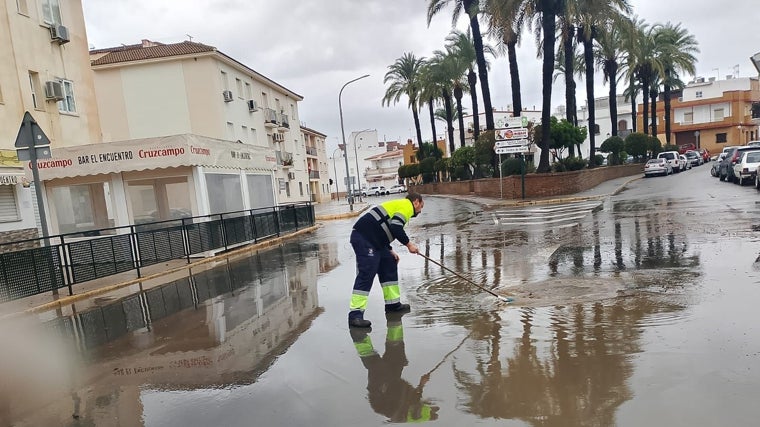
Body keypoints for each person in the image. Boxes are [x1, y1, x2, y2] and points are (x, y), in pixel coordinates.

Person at [348, 192, 424, 328]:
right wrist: (409, 244)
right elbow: (395, 226)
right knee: (367, 273)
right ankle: (355, 316)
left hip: (376, 241)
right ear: (416, 202)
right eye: (421, 207)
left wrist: (389, 249)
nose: (420, 210)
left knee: (389, 261)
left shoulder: (401, 205)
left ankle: (393, 305)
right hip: (364, 238)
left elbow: (383, 228)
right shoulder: (407, 206)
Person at [349, 317, 439, 423]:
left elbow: (414, 402)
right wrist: (421, 384)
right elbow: (415, 398)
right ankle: (394, 323)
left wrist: (421, 386)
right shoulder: (411, 407)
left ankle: (359, 338)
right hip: (393, 385)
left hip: (381, 390)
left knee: (375, 364)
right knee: (397, 355)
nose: (427, 402)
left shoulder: (404, 411)